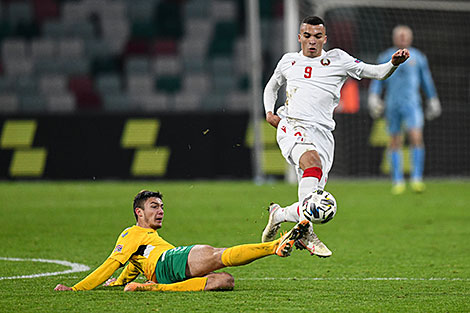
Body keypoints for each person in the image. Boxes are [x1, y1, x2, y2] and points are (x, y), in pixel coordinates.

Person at [261, 16, 409, 257]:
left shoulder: (338, 59)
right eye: (307, 36)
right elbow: (271, 86)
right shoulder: (288, 61)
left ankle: (278, 214)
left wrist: (392, 63)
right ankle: (306, 231)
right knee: (312, 164)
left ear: (325, 39)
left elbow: (376, 72)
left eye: (317, 37)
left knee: (314, 197)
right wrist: (269, 112)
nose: (312, 41)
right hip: (291, 124)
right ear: (299, 37)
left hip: (323, 134)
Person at [54, 190, 309, 292]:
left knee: (225, 282)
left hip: (164, 273)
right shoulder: (131, 233)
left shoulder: (147, 241)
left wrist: (121, 281)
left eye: (162, 206)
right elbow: (111, 263)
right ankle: (273, 246)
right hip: (169, 261)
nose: (161, 210)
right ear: (138, 213)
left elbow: (132, 265)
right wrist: (76, 289)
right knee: (215, 253)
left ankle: (152, 288)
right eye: (154, 206)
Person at [368, 25, 441, 195]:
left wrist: (433, 99)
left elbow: (426, 80)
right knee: (395, 141)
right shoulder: (386, 56)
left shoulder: (418, 57)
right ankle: (398, 180)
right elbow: (378, 78)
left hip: (412, 104)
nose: (402, 38)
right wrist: (374, 96)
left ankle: (416, 178)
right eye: (399, 35)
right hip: (392, 104)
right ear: (394, 38)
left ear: (410, 38)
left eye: (405, 36)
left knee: (416, 136)